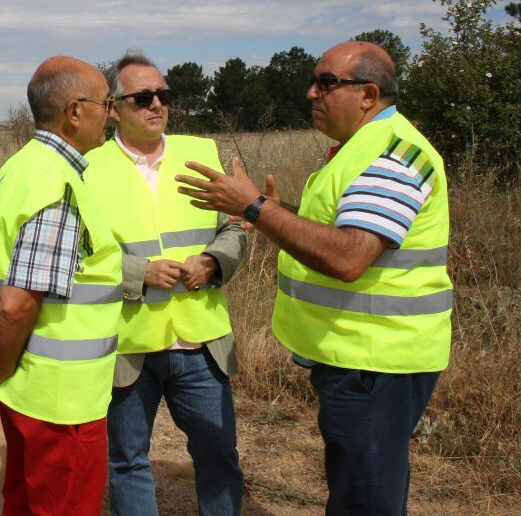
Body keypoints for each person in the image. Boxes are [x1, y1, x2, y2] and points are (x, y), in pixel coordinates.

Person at [176, 41, 452, 516]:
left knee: (364, 498)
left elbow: (348, 257)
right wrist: (270, 212)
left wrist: (255, 208)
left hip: (375, 362)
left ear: (368, 93)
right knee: (358, 486)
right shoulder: (359, 149)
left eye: (326, 83)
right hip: (359, 358)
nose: (311, 93)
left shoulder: (393, 156)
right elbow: (341, 231)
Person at [0, 56, 123, 516]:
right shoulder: (56, 183)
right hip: (61, 401)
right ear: (74, 111)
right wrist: (1, 365)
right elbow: (15, 303)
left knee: (24, 503)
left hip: (27, 392)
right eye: (106, 103)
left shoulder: (11, 173)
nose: (113, 113)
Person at [83, 50, 246, 516]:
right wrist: (139, 273)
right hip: (128, 347)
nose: (157, 104)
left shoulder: (202, 154)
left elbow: (234, 229)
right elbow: (77, 258)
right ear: (113, 108)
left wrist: (214, 262)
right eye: (142, 97)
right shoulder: (88, 170)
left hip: (202, 343)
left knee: (219, 457)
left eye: (163, 95)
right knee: (128, 462)